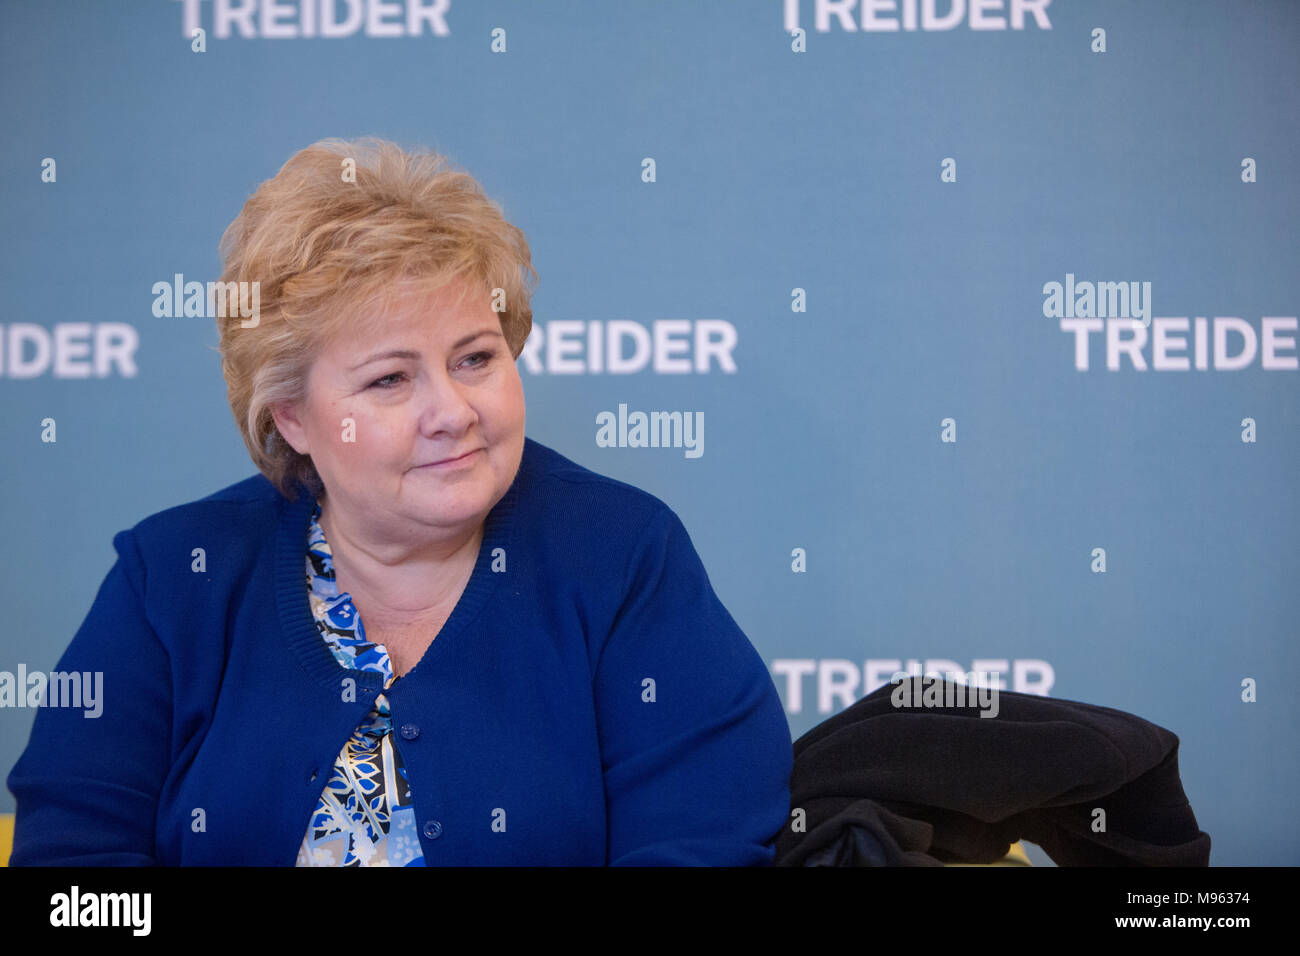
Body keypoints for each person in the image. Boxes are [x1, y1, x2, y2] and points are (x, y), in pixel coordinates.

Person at [5, 137, 792, 866]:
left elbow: (704, 847)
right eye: (390, 379)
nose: (453, 410)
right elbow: (73, 884)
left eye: (476, 358)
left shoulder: (623, 557)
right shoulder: (173, 578)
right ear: (293, 417)